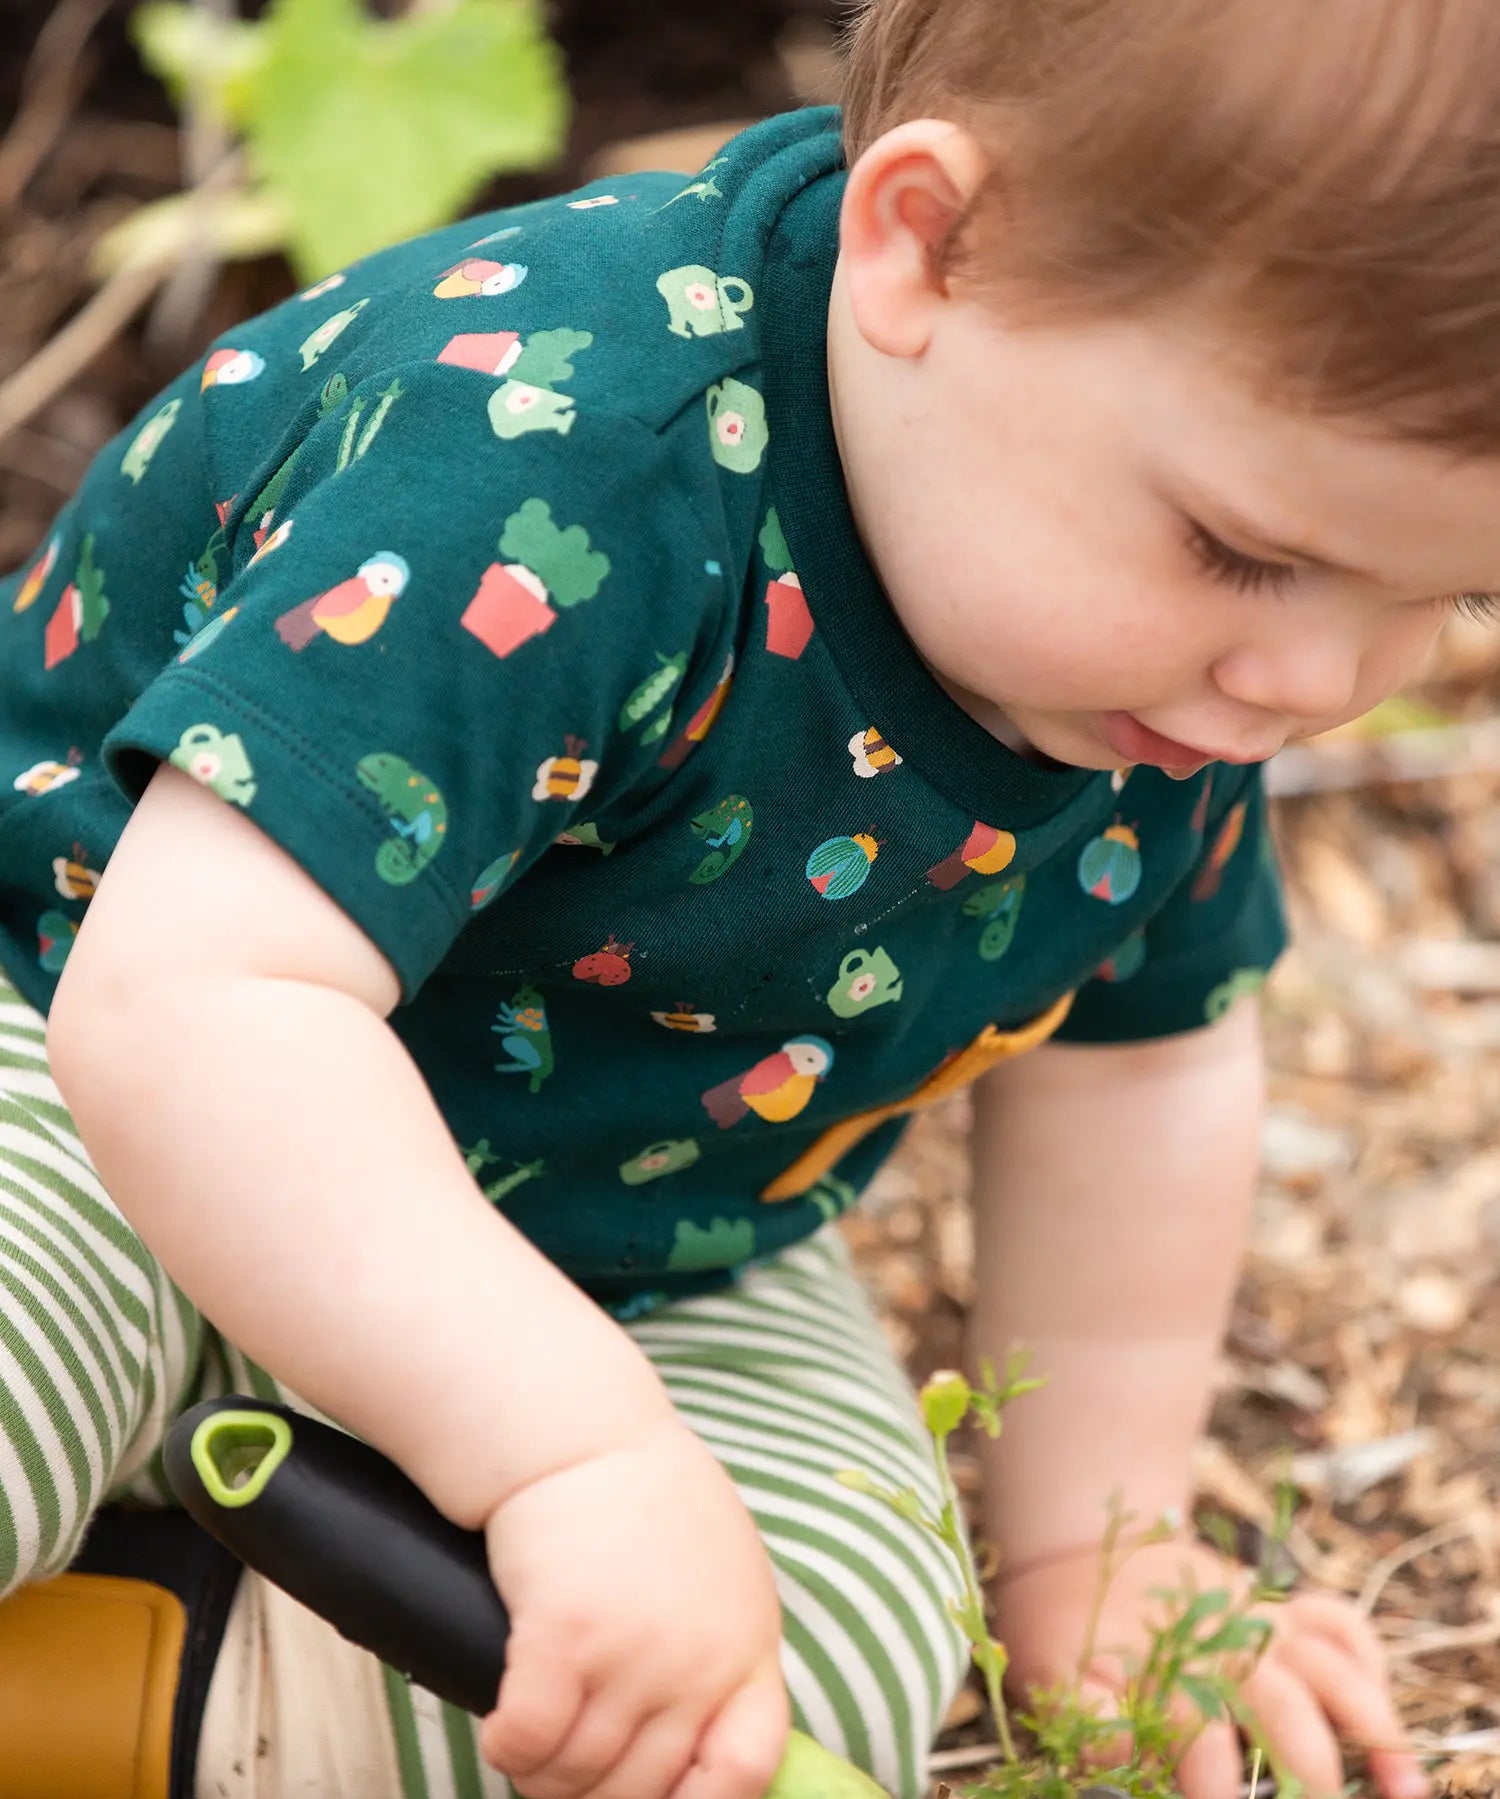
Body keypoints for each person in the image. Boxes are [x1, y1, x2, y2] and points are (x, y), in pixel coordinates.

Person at [1, 0, 1495, 1792]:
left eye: (1446, 595)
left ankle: (138, 1690)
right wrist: (567, 1451)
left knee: (816, 1651)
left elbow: (1142, 1059)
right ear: (931, 246)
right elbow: (192, 1008)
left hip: (622, 1229)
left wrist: (1094, 1549)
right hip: (79, 1055)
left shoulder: (1160, 681)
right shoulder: (561, 462)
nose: (1313, 685)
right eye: (1244, 551)